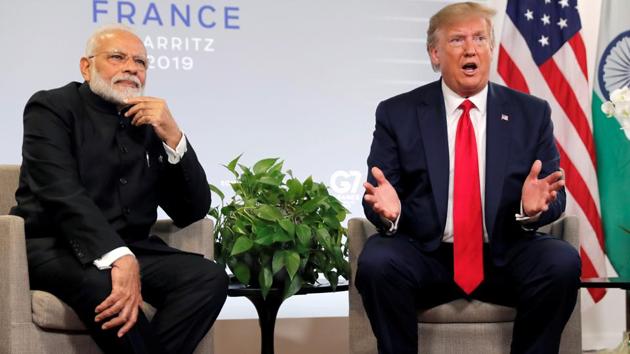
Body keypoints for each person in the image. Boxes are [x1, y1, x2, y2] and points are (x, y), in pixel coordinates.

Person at [355, 2, 580, 354]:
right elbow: (378, 192)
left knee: (561, 261)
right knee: (377, 261)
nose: (471, 49)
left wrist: (531, 209)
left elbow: (555, 199)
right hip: (427, 254)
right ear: (434, 53)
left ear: (491, 50)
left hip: (504, 253)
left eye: (480, 38)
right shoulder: (396, 113)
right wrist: (389, 212)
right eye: (457, 40)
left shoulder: (531, 113)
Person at [10, 24, 228, 354]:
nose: (131, 67)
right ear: (87, 67)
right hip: (57, 246)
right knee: (105, 285)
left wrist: (173, 136)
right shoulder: (51, 107)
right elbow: (61, 192)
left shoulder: (149, 121)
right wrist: (117, 257)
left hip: (135, 246)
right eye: (117, 57)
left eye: (140, 62)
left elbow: (191, 210)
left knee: (208, 278)